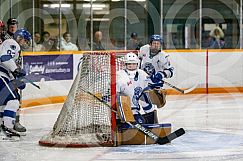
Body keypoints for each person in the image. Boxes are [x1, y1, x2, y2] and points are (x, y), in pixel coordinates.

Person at [0, 28, 31, 140]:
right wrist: (16, 69)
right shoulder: (12, 43)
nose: (26, 43)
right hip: (1, 75)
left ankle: (3, 130)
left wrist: (18, 80)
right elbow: (4, 58)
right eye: (25, 40)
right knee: (13, 101)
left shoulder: (14, 47)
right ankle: (8, 130)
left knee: (4, 104)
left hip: (4, 75)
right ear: (20, 38)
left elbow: (9, 67)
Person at [138, 35, 174, 117]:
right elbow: (138, 61)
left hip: (155, 84)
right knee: (139, 98)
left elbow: (170, 71)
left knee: (145, 99)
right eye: (154, 43)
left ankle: (151, 117)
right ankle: (147, 117)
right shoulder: (143, 49)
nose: (156, 45)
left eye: (158, 43)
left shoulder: (164, 56)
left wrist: (161, 74)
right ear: (150, 44)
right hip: (143, 81)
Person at [116, 52, 156, 124]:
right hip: (124, 110)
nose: (132, 66)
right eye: (129, 64)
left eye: (134, 64)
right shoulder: (119, 75)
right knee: (139, 124)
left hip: (135, 109)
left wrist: (154, 79)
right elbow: (114, 93)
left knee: (146, 118)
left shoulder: (142, 74)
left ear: (137, 64)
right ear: (125, 64)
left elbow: (149, 87)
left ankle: (153, 126)